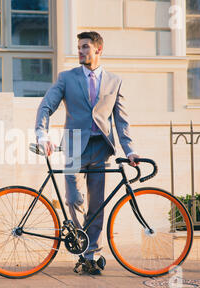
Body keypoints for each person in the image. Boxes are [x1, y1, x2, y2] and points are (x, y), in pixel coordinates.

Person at [35, 31, 140, 275]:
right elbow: (46, 106)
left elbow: (121, 121)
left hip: (100, 149)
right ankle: (81, 244)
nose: (80, 52)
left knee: (97, 205)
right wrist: (42, 134)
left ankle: (91, 254)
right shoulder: (67, 78)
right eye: (79, 47)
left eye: (84, 47)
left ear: (98, 50)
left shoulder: (114, 81)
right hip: (73, 147)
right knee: (74, 199)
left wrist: (131, 150)